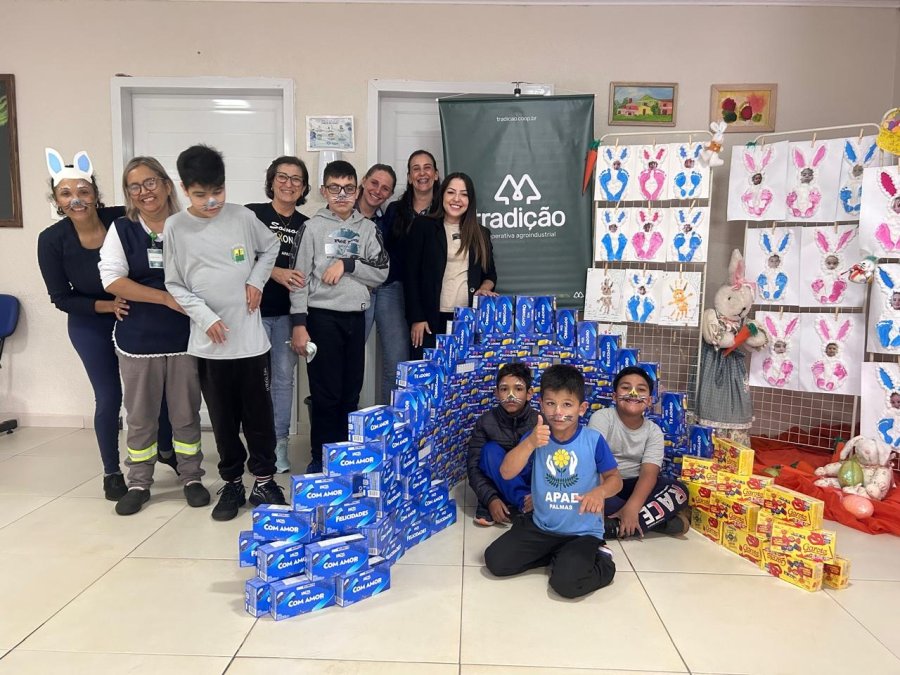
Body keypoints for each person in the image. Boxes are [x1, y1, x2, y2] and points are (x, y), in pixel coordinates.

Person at [37, 148, 174, 501]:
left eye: (83, 191)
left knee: (155, 389)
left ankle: (166, 449)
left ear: (95, 193)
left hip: (136, 314)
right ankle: (112, 471)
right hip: (90, 322)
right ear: (56, 200)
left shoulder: (120, 219)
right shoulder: (51, 240)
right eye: (66, 193)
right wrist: (107, 305)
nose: (76, 199)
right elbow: (60, 297)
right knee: (110, 396)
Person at [164, 144, 286, 521]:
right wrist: (205, 317)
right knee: (223, 420)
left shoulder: (243, 217)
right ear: (185, 189)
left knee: (259, 418)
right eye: (201, 195)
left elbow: (271, 247)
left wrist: (256, 281)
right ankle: (232, 482)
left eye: (218, 191)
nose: (212, 201)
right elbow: (174, 283)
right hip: (210, 347)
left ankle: (264, 480)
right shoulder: (176, 227)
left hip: (251, 343)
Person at [99, 156, 209, 515]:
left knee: (185, 411)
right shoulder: (122, 229)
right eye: (135, 186)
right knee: (141, 415)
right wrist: (163, 297)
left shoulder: (189, 224)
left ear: (165, 184)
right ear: (128, 193)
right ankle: (139, 482)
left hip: (184, 336)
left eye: (150, 182)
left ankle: (191, 476)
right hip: (139, 338)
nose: (145, 191)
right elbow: (112, 279)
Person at [484, 365, 622, 599]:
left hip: (582, 532)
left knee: (567, 585)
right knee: (495, 561)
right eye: (550, 403)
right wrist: (529, 443)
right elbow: (506, 473)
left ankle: (602, 558)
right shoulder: (536, 436)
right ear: (540, 404)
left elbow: (615, 480)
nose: (558, 412)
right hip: (542, 527)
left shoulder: (593, 440)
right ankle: (558, 554)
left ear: (582, 408)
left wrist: (600, 492)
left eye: (567, 404)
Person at [290, 160, 389, 474]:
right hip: (321, 319)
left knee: (350, 392)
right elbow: (298, 279)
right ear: (324, 191)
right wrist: (299, 323)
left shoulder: (368, 229)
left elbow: (381, 271)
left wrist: (348, 265)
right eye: (335, 188)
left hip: (355, 319)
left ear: (357, 191)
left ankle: (345, 458)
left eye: (348, 188)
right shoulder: (312, 228)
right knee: (326, 394)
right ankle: (321, 459)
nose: (342, 195)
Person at [246, 156, 311, 473]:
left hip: (287, 316)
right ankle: (256, 446)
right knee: (252, 383)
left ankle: (279, 445)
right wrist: (275, 273)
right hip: (251, 312)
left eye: (296, 179)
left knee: (284, 381)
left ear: (304, 187)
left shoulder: (307, 225)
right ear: (271, 181)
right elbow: (235, 257)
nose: (289, 184)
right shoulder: (251, 215)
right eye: (282, 177)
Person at [589, 366, 690, 538]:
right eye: (626, 388)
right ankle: (659, 522)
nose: (633, 393)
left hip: (635, 486)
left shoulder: (654, 431)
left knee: (679, 491)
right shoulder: (602, 417)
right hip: (606, 485)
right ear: (614, 396)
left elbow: (649, 474)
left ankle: (614, 526)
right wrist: (602, 497)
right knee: (586, 495)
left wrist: (633, 506)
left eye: (641, 389)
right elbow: (594, 464)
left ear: (649, 400)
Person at [404, 172, 497, 359]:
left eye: (464, 194)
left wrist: (485, 288)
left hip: (466, 320)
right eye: (451, 192)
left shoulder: (481, 234)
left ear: (470, 200)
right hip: (429, 320)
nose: (457, 199)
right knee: (428, 373)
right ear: (442, 195)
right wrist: (417, 318)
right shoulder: (423, 226)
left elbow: (490, 275)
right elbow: (410, 276)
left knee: (462, 374)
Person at [467, 362, 539, 526]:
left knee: (532, 440)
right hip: (498, 482)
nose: (511, 395)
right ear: (497, 393)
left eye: (518, 389)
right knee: (490, 451)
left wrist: (539, 495)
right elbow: (473, 467)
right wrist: (490, 498)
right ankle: (521, 504)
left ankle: (527, 503)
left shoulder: (539, 421)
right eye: (504, 389)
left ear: (529, 394)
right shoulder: (485, 422)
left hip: (530, 486)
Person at [357, 164, 404, 405]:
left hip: (388, 288)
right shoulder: (340, 213)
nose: (378, 191)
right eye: (374, 183)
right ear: (364, 181)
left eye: (385, 188)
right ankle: (347, 420)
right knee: (349, 359)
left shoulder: (388, 220)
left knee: (397, 361)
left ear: (390, 194)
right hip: (356, 291)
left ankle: (390, 420)